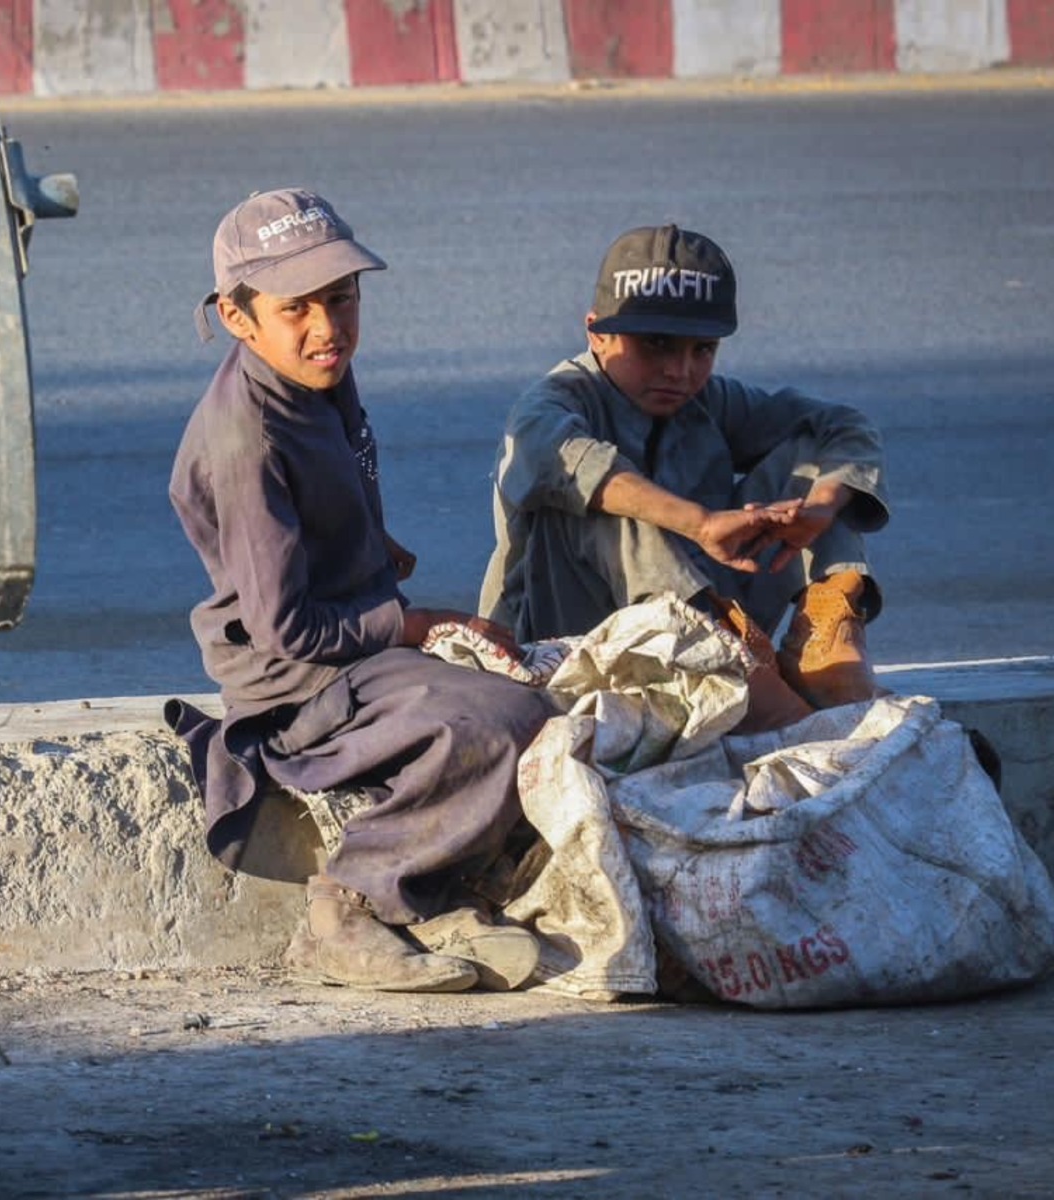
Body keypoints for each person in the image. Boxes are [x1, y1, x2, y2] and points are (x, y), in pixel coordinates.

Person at [169, 188, 555, 995]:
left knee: (544, 695)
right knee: (498, 721)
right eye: (296, 308)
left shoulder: (321, 376)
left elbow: (335, 485)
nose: (327, 327)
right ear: (239, 320)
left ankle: (434, 898)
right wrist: (416, 624)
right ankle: (349, 907)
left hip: (352, 636)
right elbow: (286, 629)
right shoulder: (249, 437)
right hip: (299, 680)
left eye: (342, 298)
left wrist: (372, 544)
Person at [479, 224, 889, 730]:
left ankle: (825, 650)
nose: (680, 370)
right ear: (596, 332)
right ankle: (753, 692)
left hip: (727, 637)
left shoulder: (708, 401)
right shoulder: (552, 403)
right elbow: (572, 462)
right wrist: (701, 523)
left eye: (702, 350)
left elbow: (845, 426)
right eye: (656, 345)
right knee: (607, 501)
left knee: (814, 457)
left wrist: (822, 504)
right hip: (569, 648)